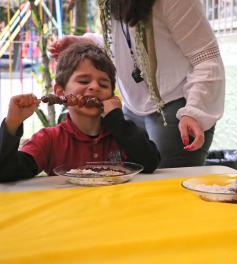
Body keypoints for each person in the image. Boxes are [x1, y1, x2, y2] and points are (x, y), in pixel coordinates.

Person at [48, 0, 225, 168]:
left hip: (177, 106)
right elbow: (127, 45)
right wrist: (87, 42)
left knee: (166, 189)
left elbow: (206, 58)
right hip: (131, 108)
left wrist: (194, 112)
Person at [0, 42, 160, 182]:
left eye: (103, 84)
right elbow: (6, 173)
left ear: (111, 96)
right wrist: (12, 124)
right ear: (60, 92)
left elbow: (151, 162)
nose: (95, 87)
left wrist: (117, 121)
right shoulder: (49, 140)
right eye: (84, 81)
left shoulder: (124, 134)